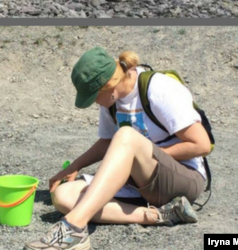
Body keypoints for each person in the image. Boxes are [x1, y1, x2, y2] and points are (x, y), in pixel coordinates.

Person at [24, 48, 208, 250]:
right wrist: (74, 166)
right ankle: (160, 215)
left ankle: (74, 227)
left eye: (94, 96)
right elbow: (107, 142)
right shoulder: (111, 102)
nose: (94, 102)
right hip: (141, 182)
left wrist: (140, 157)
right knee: (63, 196)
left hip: (183, 179)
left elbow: (201, 144)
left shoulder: (158, 88)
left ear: (109, 85)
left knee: (126, 135)